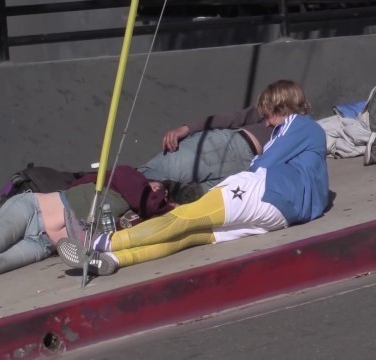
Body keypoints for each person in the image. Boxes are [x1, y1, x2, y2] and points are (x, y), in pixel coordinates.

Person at [57, 79, 329, 276]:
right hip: (285, 215)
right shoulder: (314, 151)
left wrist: (237, 182)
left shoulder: (298, 124)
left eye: (269, 115)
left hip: (264, 190)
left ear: (280, 108)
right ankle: (114, 259)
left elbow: (265, 162)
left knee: (185, 218)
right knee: (194, 236)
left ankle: (97, 244)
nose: (266, 122)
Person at [0, 165, 176, 280]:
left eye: (162, 194)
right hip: (33, 209)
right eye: (157, 187)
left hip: (43, 243)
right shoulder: (125, 175)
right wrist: (162, 203)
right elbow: (149, 199)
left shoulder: (135, 216)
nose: (156, 192)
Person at [137, 106, 272, 201]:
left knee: (170, 199)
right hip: (234, 151)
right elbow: (237, 117)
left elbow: (237, 117)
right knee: (148, 179)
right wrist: (187, 128)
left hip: (245, 170)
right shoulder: (284, 104)